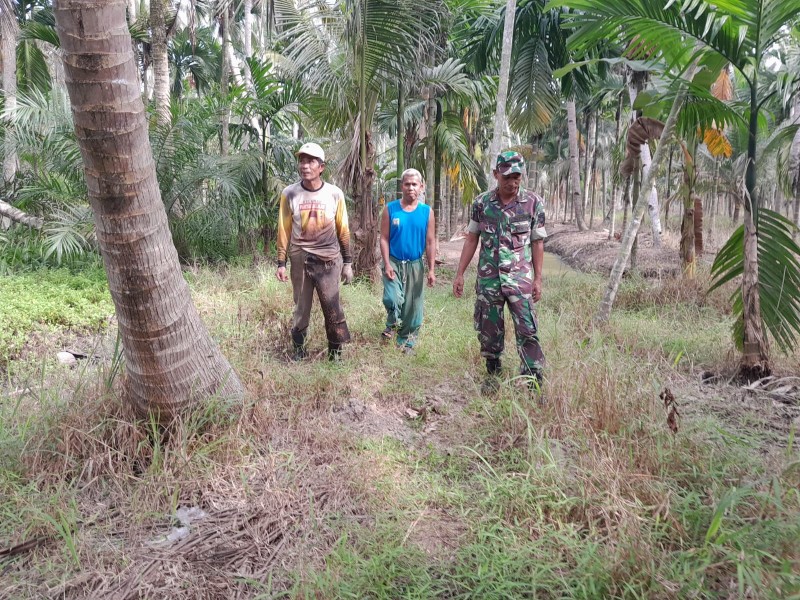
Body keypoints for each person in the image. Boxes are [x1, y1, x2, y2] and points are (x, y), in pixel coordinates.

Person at [452, 151, 546, 393]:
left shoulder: (533, 203)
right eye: (507, 177)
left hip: (520, 280)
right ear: (496, 174)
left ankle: (533, 378)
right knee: (489, 329)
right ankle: (493, 375)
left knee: (527, 329)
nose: (512, 183)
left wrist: (537, 278)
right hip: (489, 279)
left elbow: (537, 242)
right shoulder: (482, 203)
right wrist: (460, 273)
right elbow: (472, 239)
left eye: (517, 177)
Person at [276, 142, 353, 361]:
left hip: (329, 259)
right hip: (300, 257)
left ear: (322, 167)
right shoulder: (289, 194)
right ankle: (299, 352)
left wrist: (347, 262)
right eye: (301, 160)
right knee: (301, 308)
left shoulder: (334, 194)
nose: (305, 166)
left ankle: (335, 354)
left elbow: (343, 228)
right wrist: (281, 262)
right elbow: (283, 228)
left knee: (332, 307)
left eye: (311, 161)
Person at [380, 169, 436, 352]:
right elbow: (384, 238)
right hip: (394, 262)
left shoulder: (427, 212)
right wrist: (387, 263)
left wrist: (431, 270)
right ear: (401, 186)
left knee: (413, 307)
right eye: (407, 184)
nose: (410, 188)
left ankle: (407, 342)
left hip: (415, 264)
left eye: (414, 184)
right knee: (392, 298)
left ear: (421, 187)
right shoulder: (390, 209)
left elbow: (430, 241)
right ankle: (392, 323)